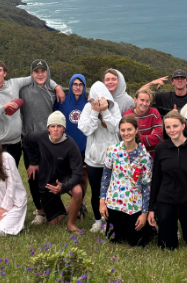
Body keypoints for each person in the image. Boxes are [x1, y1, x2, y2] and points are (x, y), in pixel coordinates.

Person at [0, 59, 61, 218]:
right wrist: (3, 109)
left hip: (14, 144)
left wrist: (57, 87)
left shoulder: (14, 83)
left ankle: (9, 212)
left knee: (8, 180)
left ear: (5, 73)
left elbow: (39, 76)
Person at [148, 111, 187, 252]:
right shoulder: (161, 148)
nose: (171, 130)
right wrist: (152, 208)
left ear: (183, 126)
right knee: (166, 247)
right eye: (168, 127)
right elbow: (156, 179)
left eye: (175, 126)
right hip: (166, 199)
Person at [19, 59, 66, 226]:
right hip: (30, 140)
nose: (40, 74)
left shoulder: (53, 90)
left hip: (49, 140)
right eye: (36, 71)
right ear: (31, 73)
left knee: (51, 175)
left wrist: (58, 86)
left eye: (43, 71)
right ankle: (40, 211)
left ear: (47, 72)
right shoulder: (23, 90)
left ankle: (54, 209)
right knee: (33, 176)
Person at [23, 111, 84, 233]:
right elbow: (26, 140)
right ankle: (74, 210)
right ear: (48, 129)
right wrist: (34, 162)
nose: (55, 130)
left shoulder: (71, 146)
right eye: (52, 126)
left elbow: (78, 174)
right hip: (47, 179)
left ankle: (71, 224)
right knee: (53, 223)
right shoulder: (40, 137)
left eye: (59, 126)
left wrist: (64, 187)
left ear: (64, 129)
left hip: (65, 178)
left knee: (77, 191)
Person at [99, 115, 153, 247]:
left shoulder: (145, 156)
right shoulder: (113, 150)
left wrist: (144, 213)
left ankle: (151, 227)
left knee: (137, 242)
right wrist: (102, 201)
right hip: (114, 202)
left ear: (136, 130)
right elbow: (106, 176)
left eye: (129, 129)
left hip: (134, 204)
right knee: (113, 239)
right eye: (123, 130)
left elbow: (147, 186)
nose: (126, 133)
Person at [78, 81, 122, 233]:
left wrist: (105, 111)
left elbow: (117, 128)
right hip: (94, 159)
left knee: (113, 191)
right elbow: (85, 130)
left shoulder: (114, 107)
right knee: (96, 191)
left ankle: (112, 220)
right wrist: (95, 112)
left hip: (113, 158)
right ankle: (98, 220)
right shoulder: (87, 108)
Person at [54, 74, 89, 215]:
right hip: (66, 146)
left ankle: (78, 206)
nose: (78, 87)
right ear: (70, 86)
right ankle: (63, 206)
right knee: (66, 177)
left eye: (81, 84)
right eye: (75, 84)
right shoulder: (61, 100)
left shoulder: (88, 101)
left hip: (84, 146)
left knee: (83, 177)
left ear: (84, 86)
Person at [123, 87, 163, 158]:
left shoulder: (154, 113)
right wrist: (150, 137)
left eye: (147, 101)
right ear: (135, 100)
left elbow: (158, 137)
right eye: (142, 100)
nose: (144, 103)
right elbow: (127, 137)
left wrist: (137, 136)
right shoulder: (128, 115)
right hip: (135, 157)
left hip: (153, 156)